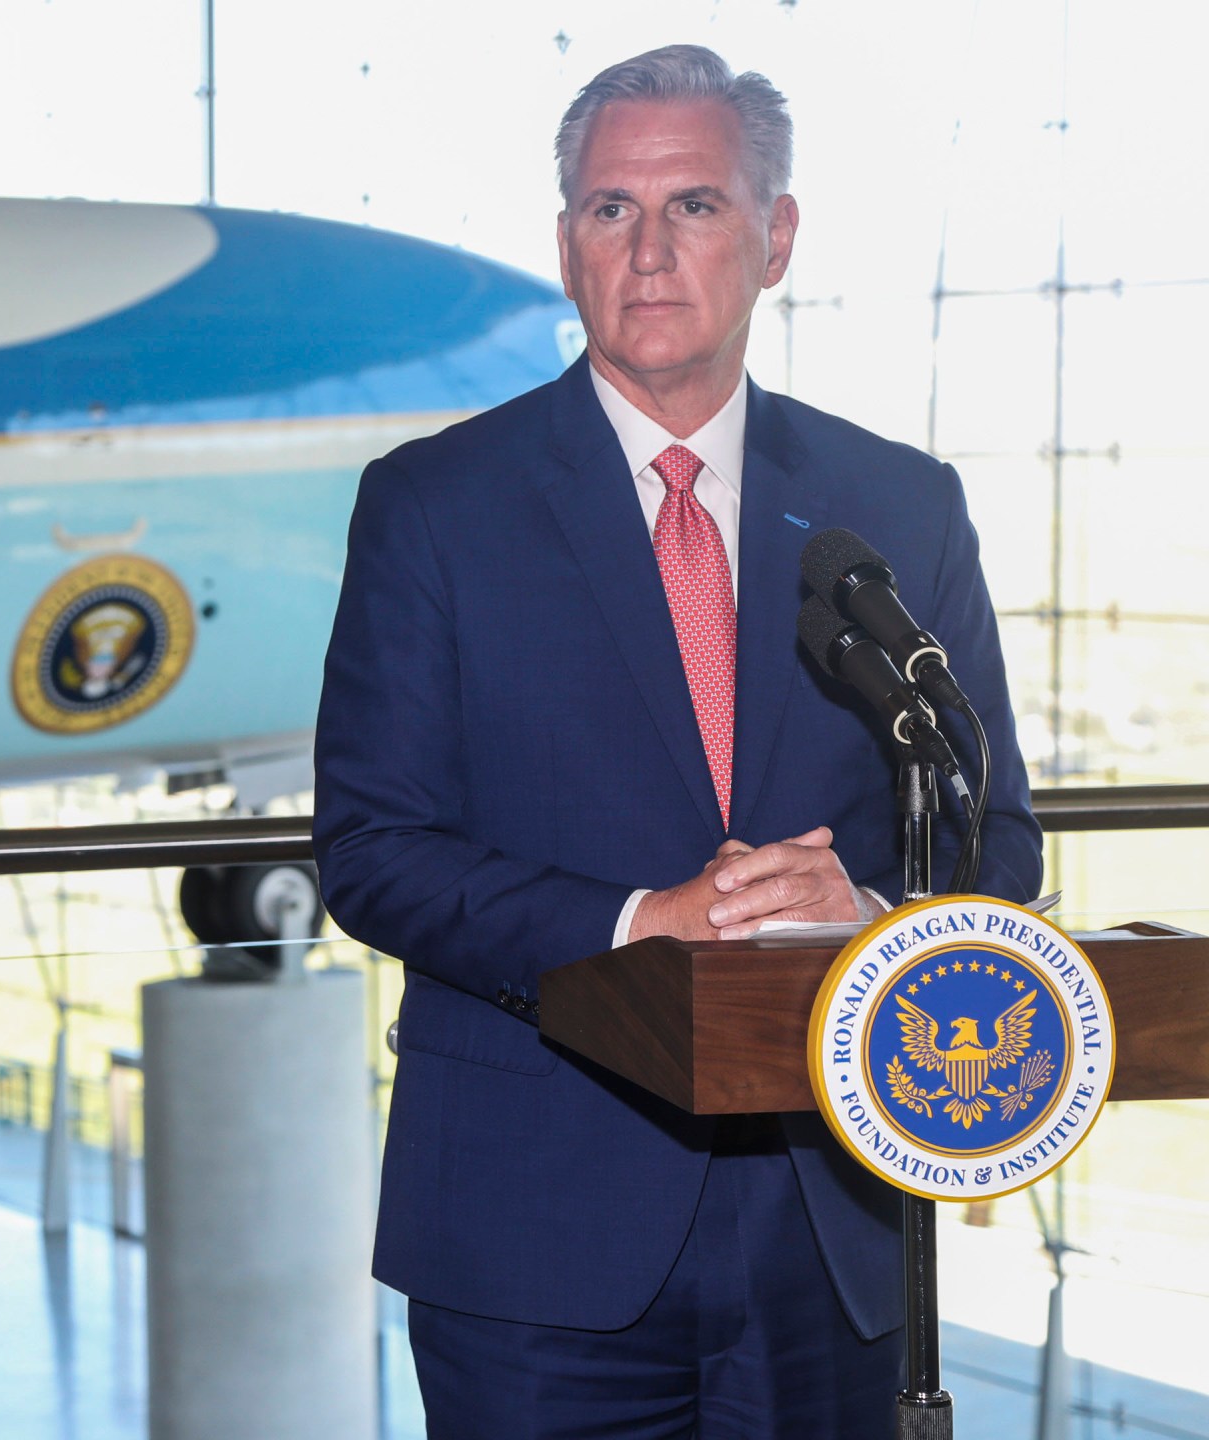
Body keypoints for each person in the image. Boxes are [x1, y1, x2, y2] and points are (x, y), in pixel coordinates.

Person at [314, 45, 1041, 1437]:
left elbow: (994, 836)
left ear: (776, 237)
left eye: (694, 205)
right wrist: (643, 921)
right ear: (567, 245)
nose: (647, 251)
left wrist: (872, 916)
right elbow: (372, 851)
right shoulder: (432, 505)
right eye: (611, 209)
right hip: (531, 1238)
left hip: (833, 1231)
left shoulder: (901, 505)